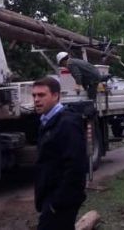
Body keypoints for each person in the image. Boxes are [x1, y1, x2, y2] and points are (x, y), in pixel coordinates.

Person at [32, 77, 89, 230]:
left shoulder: (67, 124)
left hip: (61, 201)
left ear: (56, 96)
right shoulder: (46, 121)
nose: (36, 100)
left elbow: (76, 166)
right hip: (51, 197)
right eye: (34, 95)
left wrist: (57, 203)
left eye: (42, 95)